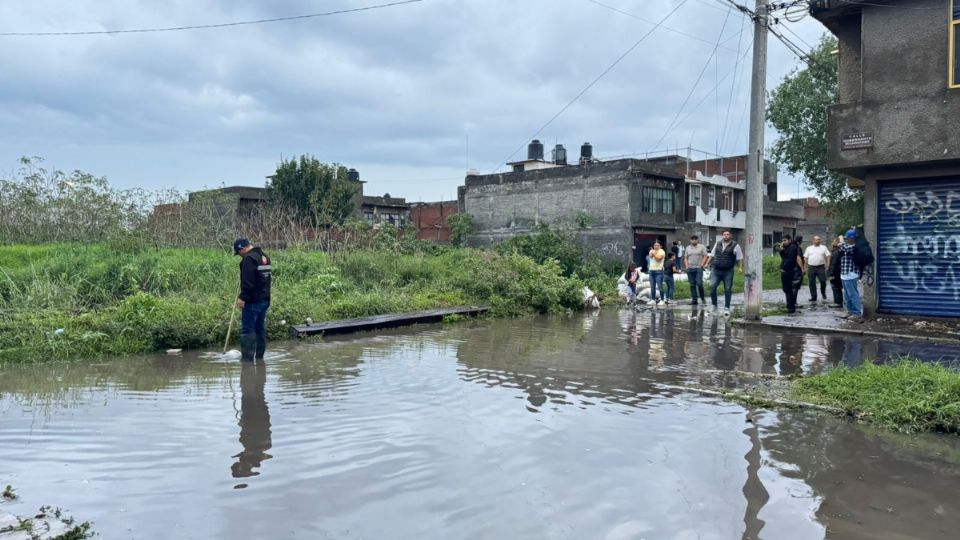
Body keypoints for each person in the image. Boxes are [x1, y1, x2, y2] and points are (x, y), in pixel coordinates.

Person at [234, 238, 272, 361]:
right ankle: (260, 357)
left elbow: (248, 282)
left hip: (252, 301)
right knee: (259, 328)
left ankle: (247, 361)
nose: (240, 256)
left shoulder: (249, 258)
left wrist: (242, 298)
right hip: (265, 299)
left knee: (247, 330)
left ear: (242, 249)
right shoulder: (264, 257)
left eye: (239, 253)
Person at [704, 231, 743, 316]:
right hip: (716, 270)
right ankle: (714, 306)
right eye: (724, 234)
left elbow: (739, 257)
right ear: (723, 236)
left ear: (731, 235)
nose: (726, 236)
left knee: (728, 289)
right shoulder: (717, 244)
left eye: (728, 234)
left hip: (728, 271)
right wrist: (707, 263)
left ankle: (727, 308)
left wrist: (740, 267)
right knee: (712, 286)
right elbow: (712, 255)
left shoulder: (736, 245)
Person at [839, 229, 863, 322]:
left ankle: (857, 313)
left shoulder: (856, 246)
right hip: (844, 273)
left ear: (852, 238)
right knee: (847, 295)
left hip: (851, 273)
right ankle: (849, 311)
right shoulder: (847, 245)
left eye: (848, 238)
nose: (846, 239)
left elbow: (845, 248)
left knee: (853, 294)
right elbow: (841, 250)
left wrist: (841, 241)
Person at [779, 235, 803, 313]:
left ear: (789, 240)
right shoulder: (787, 248)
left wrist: (784, 268)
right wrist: (781, 250)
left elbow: (790, 259)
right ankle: (790, 306)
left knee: (788, 289)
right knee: (786, 289)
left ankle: (791, 307)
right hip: (786, 270)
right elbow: (784, 257)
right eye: (782, 240)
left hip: (788, 271)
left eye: (785, 240)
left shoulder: (792, 247)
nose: (783, 242)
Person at [804, 235, 831, 302]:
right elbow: (805, 257)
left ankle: (823, 293)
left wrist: (828, 264)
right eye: (816, 240)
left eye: (819, 239)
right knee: (812, 282)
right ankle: (814, 296)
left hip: (821, 267)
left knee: (823, 281)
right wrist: (806, 266)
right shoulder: (809, 248)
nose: (818, 241)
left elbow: (828, 255)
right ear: (813, 241)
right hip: (811, 267)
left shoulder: (823, 247)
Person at [684, 235, 708, 306]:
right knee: (692, 285)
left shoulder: (702, 247)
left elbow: (705, 256)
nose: (694, 240)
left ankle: (703, 299)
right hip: (690, 268)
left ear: (697, 240)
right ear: (690, 240)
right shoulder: (688, 248)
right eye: (692, 239)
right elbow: (685, 257)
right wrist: (687, 266)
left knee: (699, 284)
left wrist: (702, 265)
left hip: (698, 268)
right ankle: (694, 300)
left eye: (695, 239)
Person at [646, 241, 666, 306]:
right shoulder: (651, 251)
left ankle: (662, 300)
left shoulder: (662, 251)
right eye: (655, 245)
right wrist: (653, 253)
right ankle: (653, 300)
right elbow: (651, 255)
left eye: (657, 245)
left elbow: (658, 259)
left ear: (660, 246)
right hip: (651, 271)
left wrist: (654, 253)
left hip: (659, 271)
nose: (656, 246)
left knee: (660, 286)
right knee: (652, 286)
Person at [829, 236, 844, 307]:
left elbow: (833, 264)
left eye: (834, 241)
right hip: (838, 271)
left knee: (836, 287)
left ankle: (838, 302)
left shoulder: (836, 252)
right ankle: (838, 302)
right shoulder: (838, 251)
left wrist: (831, 273)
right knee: (837, 287)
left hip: (836, 272)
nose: (832, 242)